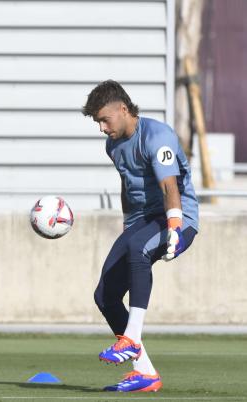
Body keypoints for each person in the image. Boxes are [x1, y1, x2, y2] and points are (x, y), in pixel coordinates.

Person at [82, 80, 199, 392]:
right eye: (97, 122)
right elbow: (128, 185)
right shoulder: (113, 145)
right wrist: (127, 225)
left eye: (104, 119)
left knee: (138, 247)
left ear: (123, 109)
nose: (102, 128)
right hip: (142, 222)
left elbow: (168, 186)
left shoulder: (157, 136)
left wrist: (175, 227)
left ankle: (131, 338)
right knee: (104, 295)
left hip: (178, 217)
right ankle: (145, 373)